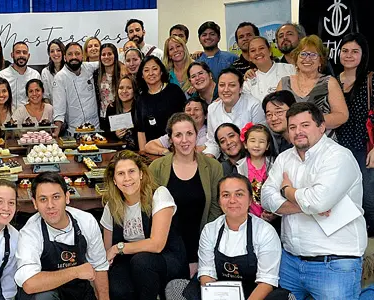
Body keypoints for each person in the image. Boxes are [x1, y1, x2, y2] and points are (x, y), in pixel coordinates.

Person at [262, 102, 367, 299]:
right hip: (291, 263)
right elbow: (267, 197)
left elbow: (317, 202)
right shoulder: (284, 158)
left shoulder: (338, 156)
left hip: (334, 264)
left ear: (321, 127)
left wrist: (286, 190)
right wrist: (306, 207)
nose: (298, 131)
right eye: (292, 127)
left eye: (305, 125)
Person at [165, 174, 287, 300]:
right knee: (176, 287)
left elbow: (266, 282)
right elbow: (207, 274)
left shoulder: (265, 232)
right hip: (218, 293)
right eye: (226, 195)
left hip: (254, 294)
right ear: (219, 201)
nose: (232, 200)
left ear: (250, 199)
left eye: (239, 194)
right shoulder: (210, 230)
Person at [102, 150, 187, 299]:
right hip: (128, 260)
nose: (127, 178)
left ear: (141, 174)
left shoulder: (159, 194)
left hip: (165, 258)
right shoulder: (112, 206)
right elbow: (107, 251)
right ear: (114, 180)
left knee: (142, 261)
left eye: (131, 171)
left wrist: (118, 248)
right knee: (118, 285)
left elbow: (157, 244)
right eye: (121, 174)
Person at [149, 113, 223, 278]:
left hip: (202, 242)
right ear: (170, 139)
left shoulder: (213, 167)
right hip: (167, 244)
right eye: (178, 135)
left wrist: (203, 249)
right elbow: (149, 208)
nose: (184, 140)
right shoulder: (156, 167)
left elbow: (216, 208)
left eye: (189, 133)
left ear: (197, 136)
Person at [15, 172, 110, 300]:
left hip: (77, 290)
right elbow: (29, 284)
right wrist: (75, 271)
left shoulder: (86, 221)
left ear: (67, 197)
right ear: (35, 203)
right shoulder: (30, 232)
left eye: (56, 197)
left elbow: (99, 267)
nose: (50, 205)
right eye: (43, 199)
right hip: (46, 292)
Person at [336, 33, 374, 235]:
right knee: (341, 198)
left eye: (355, 51)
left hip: (363, 148)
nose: (349, 55)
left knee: (368, 198)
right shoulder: (331, 81)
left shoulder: (370, 80)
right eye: (345, 51)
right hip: (336, 149)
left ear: (363, 55)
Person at [276, 35, 348, 139]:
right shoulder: (283, 83)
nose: (307, 58)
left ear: (320, 61)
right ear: (296, 59)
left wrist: (309, 122)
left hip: (323, 146)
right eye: (303, 54)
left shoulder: (329, 82)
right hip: (290, 143)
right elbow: (277, 115)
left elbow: (342, 116)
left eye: (313, 55)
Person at [203, 68, 266, 158]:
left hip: (252, 158)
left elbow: (260, 139)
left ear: (240, 88)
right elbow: (213, 142)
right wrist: (208, 161)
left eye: (232, 85)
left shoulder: (253, 105)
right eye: (222, 85)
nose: (226, 90)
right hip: (225, 160)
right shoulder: (213, 108)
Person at [135, 56, 186, 152]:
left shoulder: (174, 91)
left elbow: (185, 120)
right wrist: (143, 153)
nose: (151, 73)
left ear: (161, 71)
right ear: (142, 75)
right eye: (146, 70)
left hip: (176, 148)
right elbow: (141, 130)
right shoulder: (141, 98)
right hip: (152, 150)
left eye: (155, 69)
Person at [52, 42, 100, 137]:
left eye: (77, 54)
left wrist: (122, 67)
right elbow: (59, 108)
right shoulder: (60, 77)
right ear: (65, 57)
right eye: (70, 54)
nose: (74, 57)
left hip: (96, 129)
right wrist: (56, 132)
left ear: (82, 56)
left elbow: (107, 61)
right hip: (74, 131)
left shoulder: (89, 67)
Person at [235, 123, 278, 225]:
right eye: (252, 141)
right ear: (245, 144)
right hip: (248, 219)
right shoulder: (239, 167)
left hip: (271, 217)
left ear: (267, 146)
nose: (257, 145)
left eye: (261, 141)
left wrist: (274, 212)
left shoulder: (274, 164)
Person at [242, 37, 296, 103]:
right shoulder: (249, 81)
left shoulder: (290, 69)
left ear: (270, 51)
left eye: (261, 48)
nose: (258, 52)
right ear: (249, 57)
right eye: (253, 50)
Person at [0, 42, 41, 109]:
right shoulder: (1, 75)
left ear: (28, 56)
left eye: (24, 52)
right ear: (12, 55)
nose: (21, 55)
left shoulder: (35, 75)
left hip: (30, 116)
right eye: (18, 52)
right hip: (7, 116)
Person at [99, 76, 139, 150]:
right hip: (115, 150)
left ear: (135, 90)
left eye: (129, 88)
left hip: (137, 151)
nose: (124, 91)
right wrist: (115, 134)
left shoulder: (140, 108)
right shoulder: (111, 108)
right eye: (121, 88)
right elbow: (105, 132)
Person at [94, 43, 123, 122]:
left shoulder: (122, 73)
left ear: (115, 55)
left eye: (109, 54)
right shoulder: (96, 74)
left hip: (120, 115)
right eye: (103, 54)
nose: (106, 57)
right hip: (102, 117)